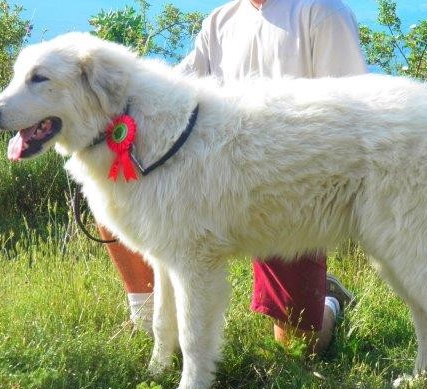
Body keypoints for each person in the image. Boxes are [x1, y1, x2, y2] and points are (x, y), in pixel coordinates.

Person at [100, 0, 368, 353]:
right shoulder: (219, 22)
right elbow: (175, 90)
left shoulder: (321, 13)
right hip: (215, 186)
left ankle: (328, 302)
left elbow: (356, 109)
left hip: (287, 195)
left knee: (299, 347)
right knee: (116, 190)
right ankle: (149, 323)